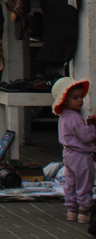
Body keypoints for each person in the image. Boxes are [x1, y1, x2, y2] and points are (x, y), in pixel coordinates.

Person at [53, 76, 96, 223]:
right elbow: (86, 137)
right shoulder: (75, 118)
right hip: (81, 155)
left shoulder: (64, 116)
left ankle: (71, 210)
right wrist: (92, 127)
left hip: (68, 154)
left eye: (81, 97)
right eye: (75, 98)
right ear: (65, 100)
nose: (80, 101)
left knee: (70, 183)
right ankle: (84, 210)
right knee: (84, 182)